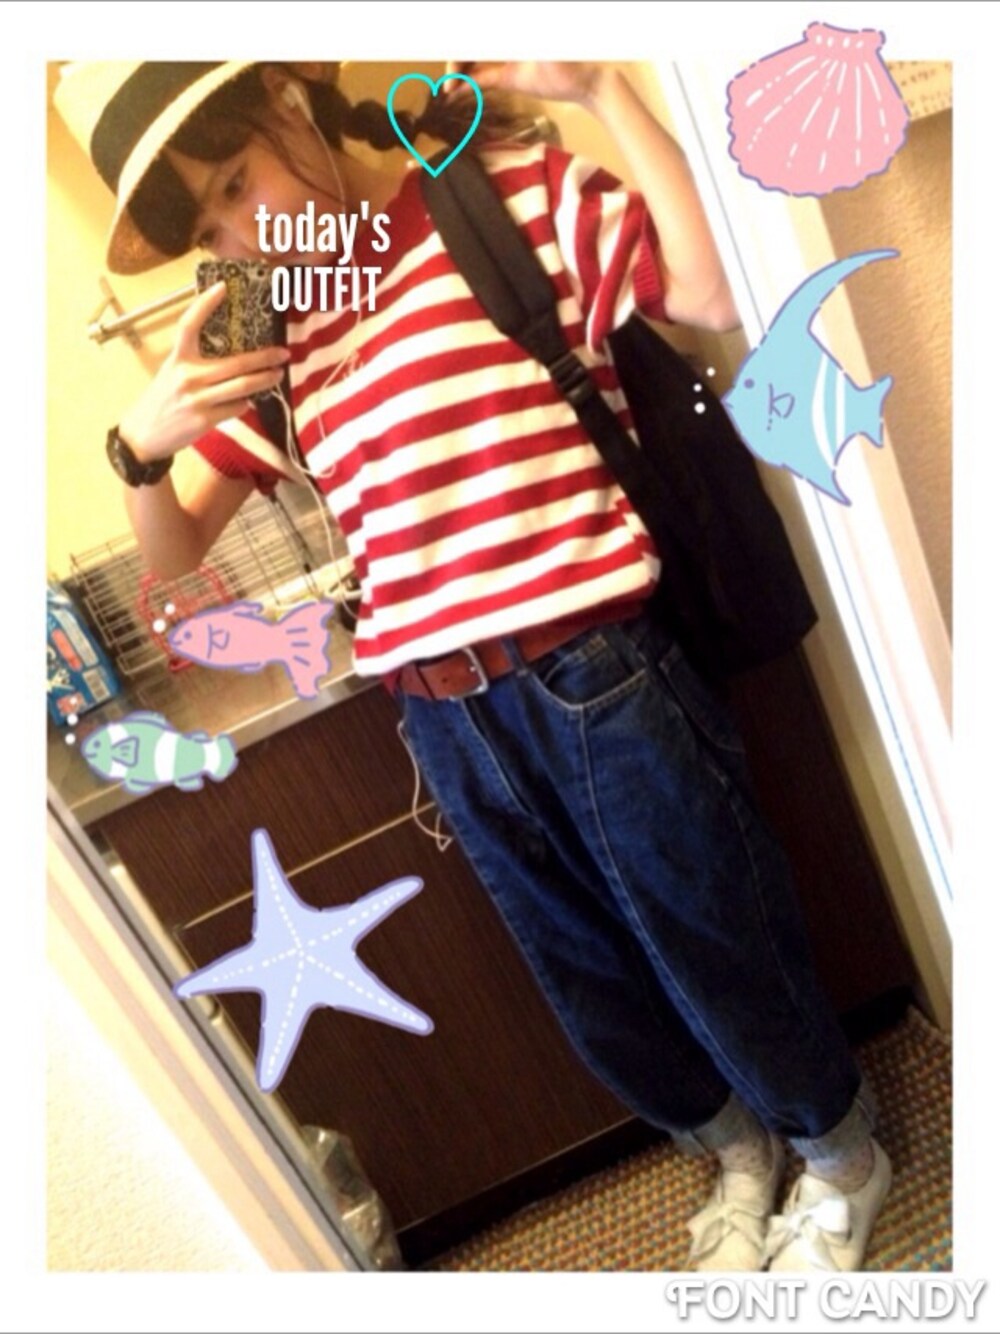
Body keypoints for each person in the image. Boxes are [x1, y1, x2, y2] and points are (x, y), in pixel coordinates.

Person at [55, 59, 892, 1272]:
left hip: (593, 669)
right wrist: (141, 453)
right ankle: (735, 1149)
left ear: (288, 103)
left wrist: (601, 90)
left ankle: (840, 1155)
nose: (243, 238)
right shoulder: (277, 331)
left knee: (715, 930)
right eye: (208, 228)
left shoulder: (490, 197)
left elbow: (714, 290)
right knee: (588, 975)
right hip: (442, 716)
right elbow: (177, 573)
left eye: (237, 183)